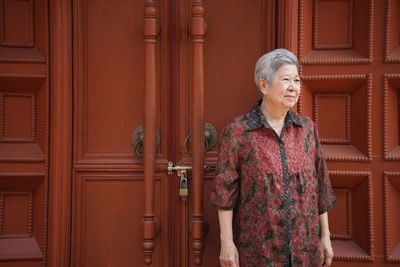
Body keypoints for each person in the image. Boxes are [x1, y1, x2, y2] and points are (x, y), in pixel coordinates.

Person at [210, 48, 336, 267]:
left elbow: (321, 185)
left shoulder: (306, 128)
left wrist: (325, 236)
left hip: (305, 249)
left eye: (296, 80)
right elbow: (225, 191)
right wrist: (227, 243)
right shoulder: (238, 131)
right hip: (260, 250)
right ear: (264, 85)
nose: (293, 87)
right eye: (285, 79)